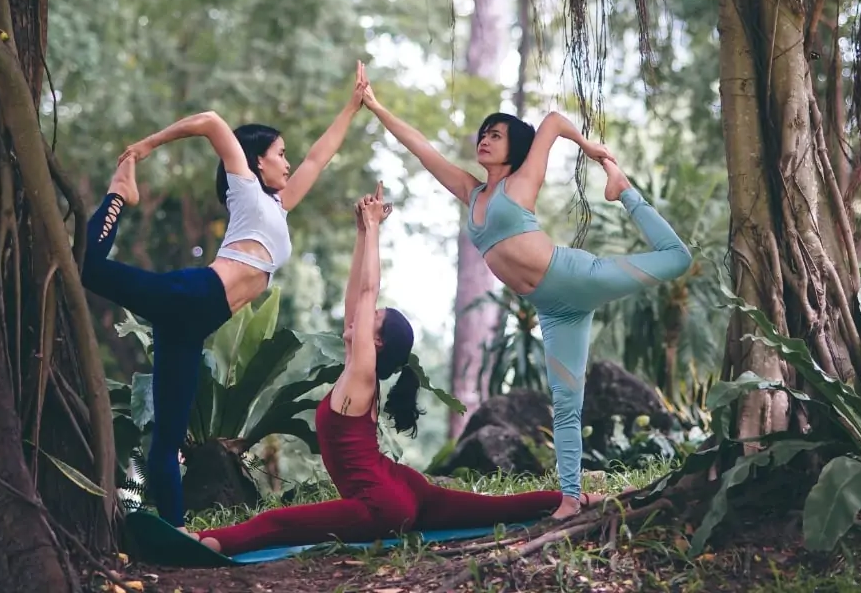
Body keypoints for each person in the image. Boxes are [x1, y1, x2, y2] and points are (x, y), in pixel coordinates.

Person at [195, 185, 599, 555]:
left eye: (372, 318)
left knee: (278, 522)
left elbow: (368, 292)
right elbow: (360, 298)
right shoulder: (357, 371)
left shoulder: (361, 378)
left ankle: (207, 542)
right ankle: (580, 499)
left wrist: (375, 229)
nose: (358, 316)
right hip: (404, 486)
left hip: (381, 505)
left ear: (378, 343)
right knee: (493, 508)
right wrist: (360, 233)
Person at [360, 83, 692, 520]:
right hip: (553, 309)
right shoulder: (473, 192)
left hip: (577, 276)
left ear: (513, 146)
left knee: (677, 258)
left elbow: (553, 122)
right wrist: (377, 104)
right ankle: (570, 499)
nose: (485, 138)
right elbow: (421, 148)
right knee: (566, 402)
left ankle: (625, 190)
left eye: (496, 134)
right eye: (483, 132)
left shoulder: (521, 181)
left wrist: (592, 149)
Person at [82, 62, 370, 536]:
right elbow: (212, 122)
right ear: (257, 161)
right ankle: (118, 194)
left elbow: (320, 158)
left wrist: (352, 105)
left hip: (192, 323)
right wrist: (149, 145)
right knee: (88, 265)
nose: (288, 161)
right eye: (280, 154)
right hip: (191, 294)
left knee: (168, 440)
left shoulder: (277, 205)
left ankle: (174, 533)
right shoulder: (245, 189)